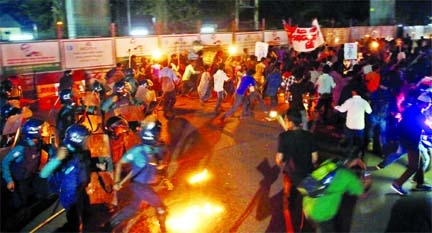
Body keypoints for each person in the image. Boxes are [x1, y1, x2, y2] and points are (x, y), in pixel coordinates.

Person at [110, 119, 168, 233]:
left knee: (132, 209)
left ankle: (109, 225)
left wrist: (118, 182)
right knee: (161, 208)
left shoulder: (152, 149)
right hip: (140, 185)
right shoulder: (139, 150)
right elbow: (120, 163)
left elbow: (157, 167)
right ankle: (164, 230)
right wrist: (117, 182)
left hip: (141, 184)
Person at [40, 124, 92, 232]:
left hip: (78, 190)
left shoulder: (80, 151)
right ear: (77, 139)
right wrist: (57, 159)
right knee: (74, 222)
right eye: (85, 139)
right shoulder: (63, 153)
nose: (87, 142)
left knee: (83, 216)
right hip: (69, 195)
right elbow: (44, 173)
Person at [275, 109, 319, 232]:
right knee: (309, 200)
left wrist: (279, 161)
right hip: (307, 173)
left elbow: (279, 159)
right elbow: (315, 158)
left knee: (289, 201)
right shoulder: (309, 136)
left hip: (291, 175)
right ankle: (307, 223)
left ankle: (291, 226)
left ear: (289, 121)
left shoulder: (283, 137)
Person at [2, 119, 54, 210]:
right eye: (41, 128)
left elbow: (50, 150)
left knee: (40, 193)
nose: (45, 130)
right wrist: (9, 180)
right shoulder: (21, 148)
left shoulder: (38, 143)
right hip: (19, 181)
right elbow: (5, 162)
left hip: (31, 176)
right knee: (21, 203)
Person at [301, 159, 365, 232]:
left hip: (308, 205)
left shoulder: (329, 164)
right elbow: (361, 193)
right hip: (323, 213)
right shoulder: (349, 176)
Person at [386, 93, 432, 195]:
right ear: (424, 104)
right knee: (413, 166)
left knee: (421, 160)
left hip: (405, 138)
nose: (429, 105)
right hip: (412, 141)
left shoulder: (409, 109)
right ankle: (397, 184)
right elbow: (426, 129)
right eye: (428, 103)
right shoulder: (419, 114)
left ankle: (419, 183)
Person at [334, 88, 372, 159]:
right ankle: (359, 155)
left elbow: (342, 110)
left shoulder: (349, 101)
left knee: (349, 139)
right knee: (360, 141)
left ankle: (348, 154)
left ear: (354, 92)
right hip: (360, 125)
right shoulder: (364, 102)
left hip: (350, 125)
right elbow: (369, 111)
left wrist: (335, 106)